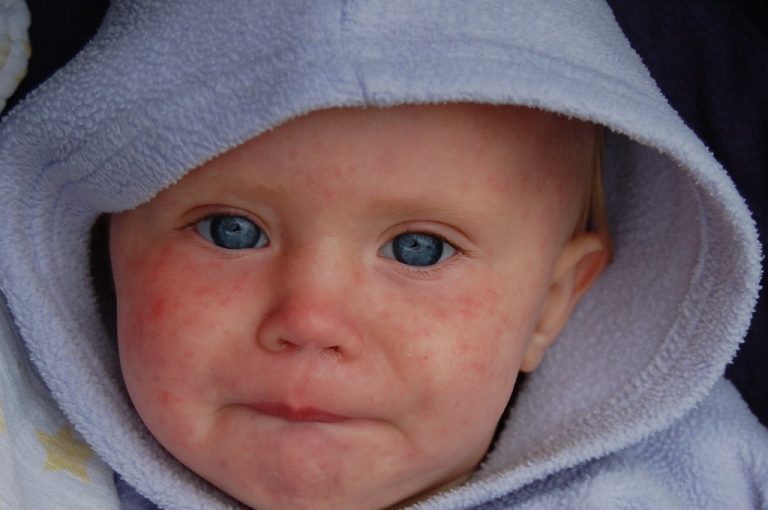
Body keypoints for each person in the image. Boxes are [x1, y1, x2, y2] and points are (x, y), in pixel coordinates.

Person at [0, 2, 765, 509]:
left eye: (418, 249)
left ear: (552, 304)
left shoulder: (689, 478)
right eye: (231, 230)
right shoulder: (36, 466)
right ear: (103, 240)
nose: (309, 320)